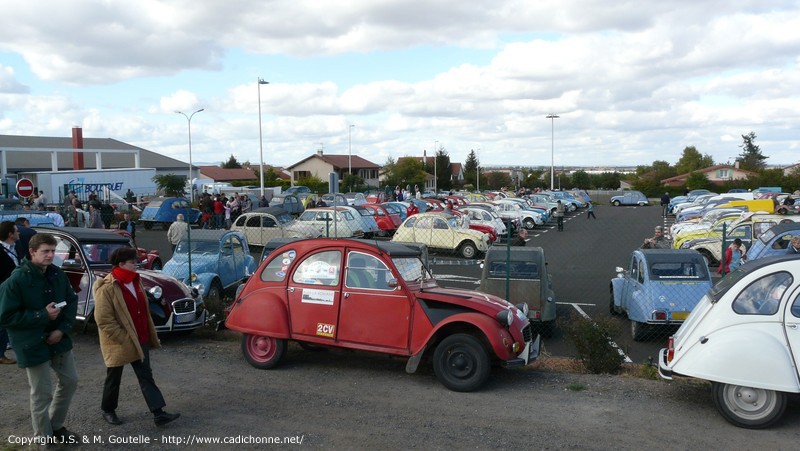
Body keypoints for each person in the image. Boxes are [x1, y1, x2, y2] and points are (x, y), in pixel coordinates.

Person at [0, 233, 80, 444]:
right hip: (31, 343)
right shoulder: (16, 280)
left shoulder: (57, 274)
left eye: (53, 251)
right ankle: (43, 439)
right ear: (32, 252)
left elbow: (71, 301)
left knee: (70, 381)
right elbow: (5, 317)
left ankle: (55, 427)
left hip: (59, 339)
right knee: (41, 393)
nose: (50, 255)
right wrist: (41, 315)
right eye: (45, 251)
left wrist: (62, 329)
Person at [94, 247, 180, 427]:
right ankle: (108, 410)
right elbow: (103, 320)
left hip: (140, 337)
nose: (136, 264)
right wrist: (124, 338)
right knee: (114, 377)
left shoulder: (136, 281)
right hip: (119, 341)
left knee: (145, 376)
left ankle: (159, 413)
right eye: (132, 262)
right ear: (121, 264)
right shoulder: (107, 286)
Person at [0, 221, 20, 365]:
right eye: (16, 231)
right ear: (10, 234)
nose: (19, 233)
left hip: (14, 291)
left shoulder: (15, 247)